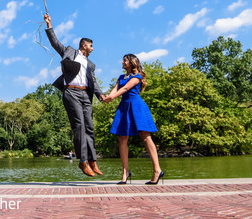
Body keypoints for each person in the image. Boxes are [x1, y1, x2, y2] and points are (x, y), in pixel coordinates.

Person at [44, 13, 105, 177]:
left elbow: (94, 82)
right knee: (79, 127)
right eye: (91, 45)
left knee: (90, 128)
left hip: (86, 96)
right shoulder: (70, 52)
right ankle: (83, 161)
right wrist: (49, 25)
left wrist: (101, 95)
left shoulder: (91, 64)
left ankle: (93, 160)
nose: (92, 48)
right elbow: (55, 43)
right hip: (71, 92)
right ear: (84, 45)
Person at [103, 54, 164, 185]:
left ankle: (157, 170)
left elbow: (125, 88)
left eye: (125, 60)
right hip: (124, 108)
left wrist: (111, 98)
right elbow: (115, 90)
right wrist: (106, 97)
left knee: (145, 136)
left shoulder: (137, 77)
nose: (122, 62)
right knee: (122, 138)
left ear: (132, 62)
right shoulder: (120, 77)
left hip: (137, 107)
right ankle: (125, 172)